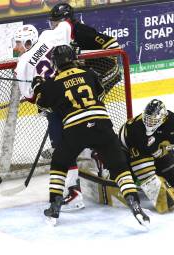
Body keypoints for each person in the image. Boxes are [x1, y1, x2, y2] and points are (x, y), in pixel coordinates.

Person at [32, 45, 150, 226]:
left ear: (55, 63)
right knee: (120, 168)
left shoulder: (52, 83)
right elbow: (100, 93)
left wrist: (39, 86)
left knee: (59, 164)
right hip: (102, 125)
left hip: (75, 130)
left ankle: (54, 207)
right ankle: (135, 205)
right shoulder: (89, 73)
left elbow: (42, 107)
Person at [39, 2, 122, 210]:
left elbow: (113, 46)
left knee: (88, 121)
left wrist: (82, 59)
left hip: (100, 78)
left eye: (56, 21)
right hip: (84, 82)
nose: (53, 25)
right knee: (79, 120)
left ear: (66, 20)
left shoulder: (81, 31)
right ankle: (88, 154)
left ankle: (96, 158)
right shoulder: (60, 36)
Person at [14, 24, 84, 211]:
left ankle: (74, 194)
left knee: (62, 150)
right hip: (77, 94)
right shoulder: (48, 36)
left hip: (56, 109)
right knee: (92, 133)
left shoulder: (22, 64)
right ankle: (106, 170)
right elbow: (67, 26)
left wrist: (43, 95)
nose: (16, 48)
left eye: (18, 44)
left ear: (28, 42)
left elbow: (30, 97)